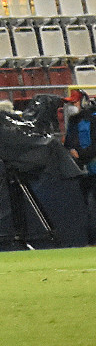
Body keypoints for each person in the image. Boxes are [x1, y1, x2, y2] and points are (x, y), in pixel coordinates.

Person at [66, 95, 96, 246]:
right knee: (89, 207)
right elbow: (68, 142)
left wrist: (81, 155)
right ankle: (92, 241)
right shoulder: (74, 121)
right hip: (83, 170)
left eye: (74, 102)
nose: (71, 106)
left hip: (91, 167)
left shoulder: (93, 119)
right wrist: (71, 151)